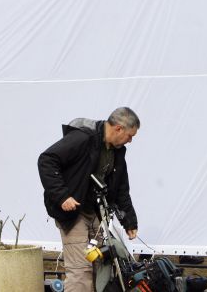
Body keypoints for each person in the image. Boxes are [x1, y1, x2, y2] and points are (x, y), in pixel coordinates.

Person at [38, 107, 140, 292]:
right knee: (80, 271)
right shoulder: (83, 138)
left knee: (100, 267)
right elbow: (46, 160)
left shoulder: (117, 152)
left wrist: (129, 222)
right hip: (72, 212)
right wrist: (62, 196)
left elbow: (121, 189)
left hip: (95, 213)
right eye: (130, 135)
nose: (131, 140)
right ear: (118, 128)